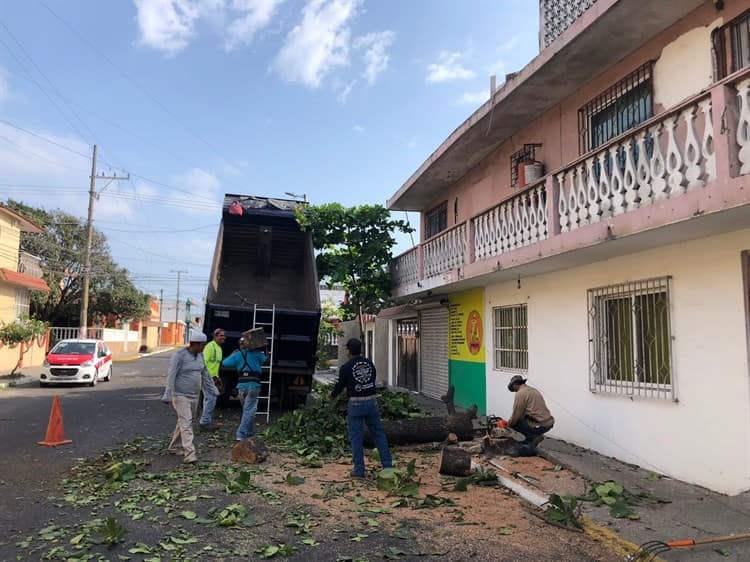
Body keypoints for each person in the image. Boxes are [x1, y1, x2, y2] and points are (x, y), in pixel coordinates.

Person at [331, 338, 393, 478]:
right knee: (379, 435)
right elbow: (373, 379)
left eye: (346, 349)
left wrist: (332, 396)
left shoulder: (346, 368)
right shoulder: (369, 364)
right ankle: (388, 466)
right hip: (371, 403)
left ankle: (359, 470)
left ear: (349, 351)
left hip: (356, 404)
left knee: (356, 437)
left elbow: (340, 386)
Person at [162, 331, 218, 463]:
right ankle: (190, 454)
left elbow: (205, 374)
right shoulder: (179, 356)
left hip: (194, 396)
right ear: (195, 344)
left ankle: (174, 447)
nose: (204, 347)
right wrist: (167, 394)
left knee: (185, 421)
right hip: (180, 396)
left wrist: (213, 390)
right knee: (186, 422)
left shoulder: (200, 356)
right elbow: (171, 374)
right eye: (202, 345)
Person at [222, 338, 267, 441]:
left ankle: (250, 433)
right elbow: (265, 359)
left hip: (241, 387)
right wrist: (263, 349)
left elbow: (224, 363)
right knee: (249, 410)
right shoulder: (256, 353)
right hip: (253, 385)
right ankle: (241, 434)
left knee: (247, 410)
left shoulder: (237, 355)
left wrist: (233, 354)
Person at [506, 375, 554, 455]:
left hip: (540, 424)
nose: (514, 390)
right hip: (549, 421)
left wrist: (508, 424)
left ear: (515, 385)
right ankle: (531, 438)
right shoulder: (532, 390)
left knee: (515, 423)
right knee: (521, 420)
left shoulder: (520, 393)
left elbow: (516, 413)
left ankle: (533, 437)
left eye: (513, 388)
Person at [199, 328, 226, 430]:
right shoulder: (210, 347)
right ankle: (205, 422)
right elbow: (204, 362)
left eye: (224, 335)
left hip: (213, 377)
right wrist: (205, 376)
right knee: (212, 397)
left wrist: (217, 377)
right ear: (215, 336)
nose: (223, 337)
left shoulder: (219, 348)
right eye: (221, 335)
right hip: (207, 376)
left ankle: (205, 421)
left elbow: (215, 365)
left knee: (208, 398)